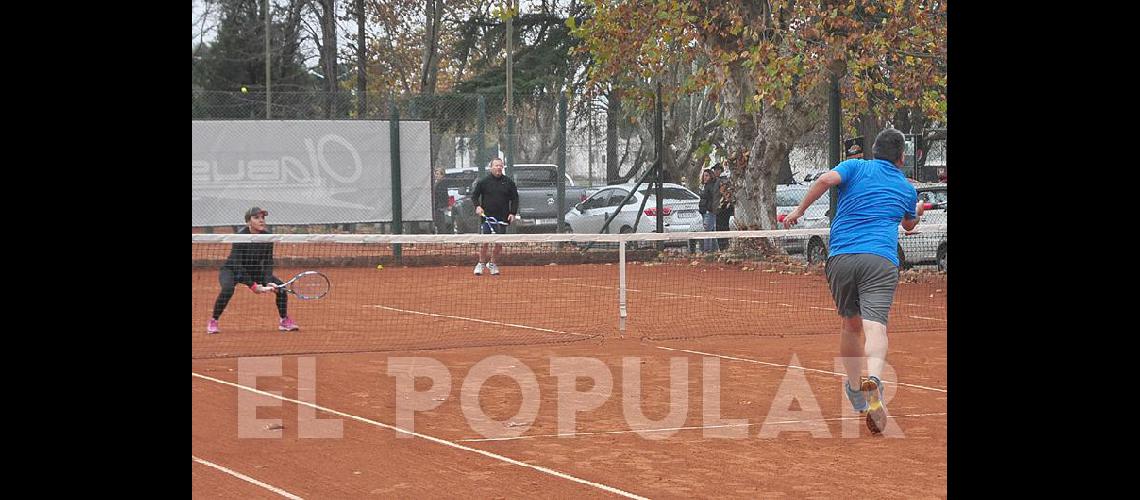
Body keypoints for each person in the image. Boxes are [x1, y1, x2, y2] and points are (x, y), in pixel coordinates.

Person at [783, 128, 925, 435]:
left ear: (874, 151)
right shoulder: (905, 187)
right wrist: (916, 211)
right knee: (876, 327)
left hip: (842, 257)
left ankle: (856, 392)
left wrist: (799, 210)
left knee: (850, 324)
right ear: (901, 158)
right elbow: (909, 225)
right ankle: (873, 377)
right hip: (880, 259)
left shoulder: (855, 167)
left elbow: (824, 181)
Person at [206, 207, 299, 334]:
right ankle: (213, 320)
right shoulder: (240, 237)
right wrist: (253, 285)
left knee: (280, 288)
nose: (261, 221)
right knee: (227, 289)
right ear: (248, 221)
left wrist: (267, 281)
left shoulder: (267, 237)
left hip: (254, 270)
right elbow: (237, 265)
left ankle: (284, 320)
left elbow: (267, 262)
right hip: (232, 269)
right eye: (256, 218)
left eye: (262, 218)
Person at [469, 158, 519, 276]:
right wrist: (477, 206)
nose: (498, 168)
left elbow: (515, 199)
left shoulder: (509, 182)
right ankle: (481, 263)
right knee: (485, 242)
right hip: (487, 218)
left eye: (500, 166)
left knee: (499, 244)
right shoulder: (484, 182)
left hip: (502, 218)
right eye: (496, 166)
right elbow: (474, 196)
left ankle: (492, 263)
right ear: (491, 167)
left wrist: (512, 213)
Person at [697, 167, 720, 252]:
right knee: (712, 231)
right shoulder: (705, 186)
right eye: (704, 176)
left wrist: (710, 209)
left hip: (709, 212)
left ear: (711, 176)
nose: (705, 177)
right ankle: (716, 250)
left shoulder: (710, 186)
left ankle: (707, 251)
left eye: (707, 175)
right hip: (705, 211)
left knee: (707, 232)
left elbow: (712, 197)